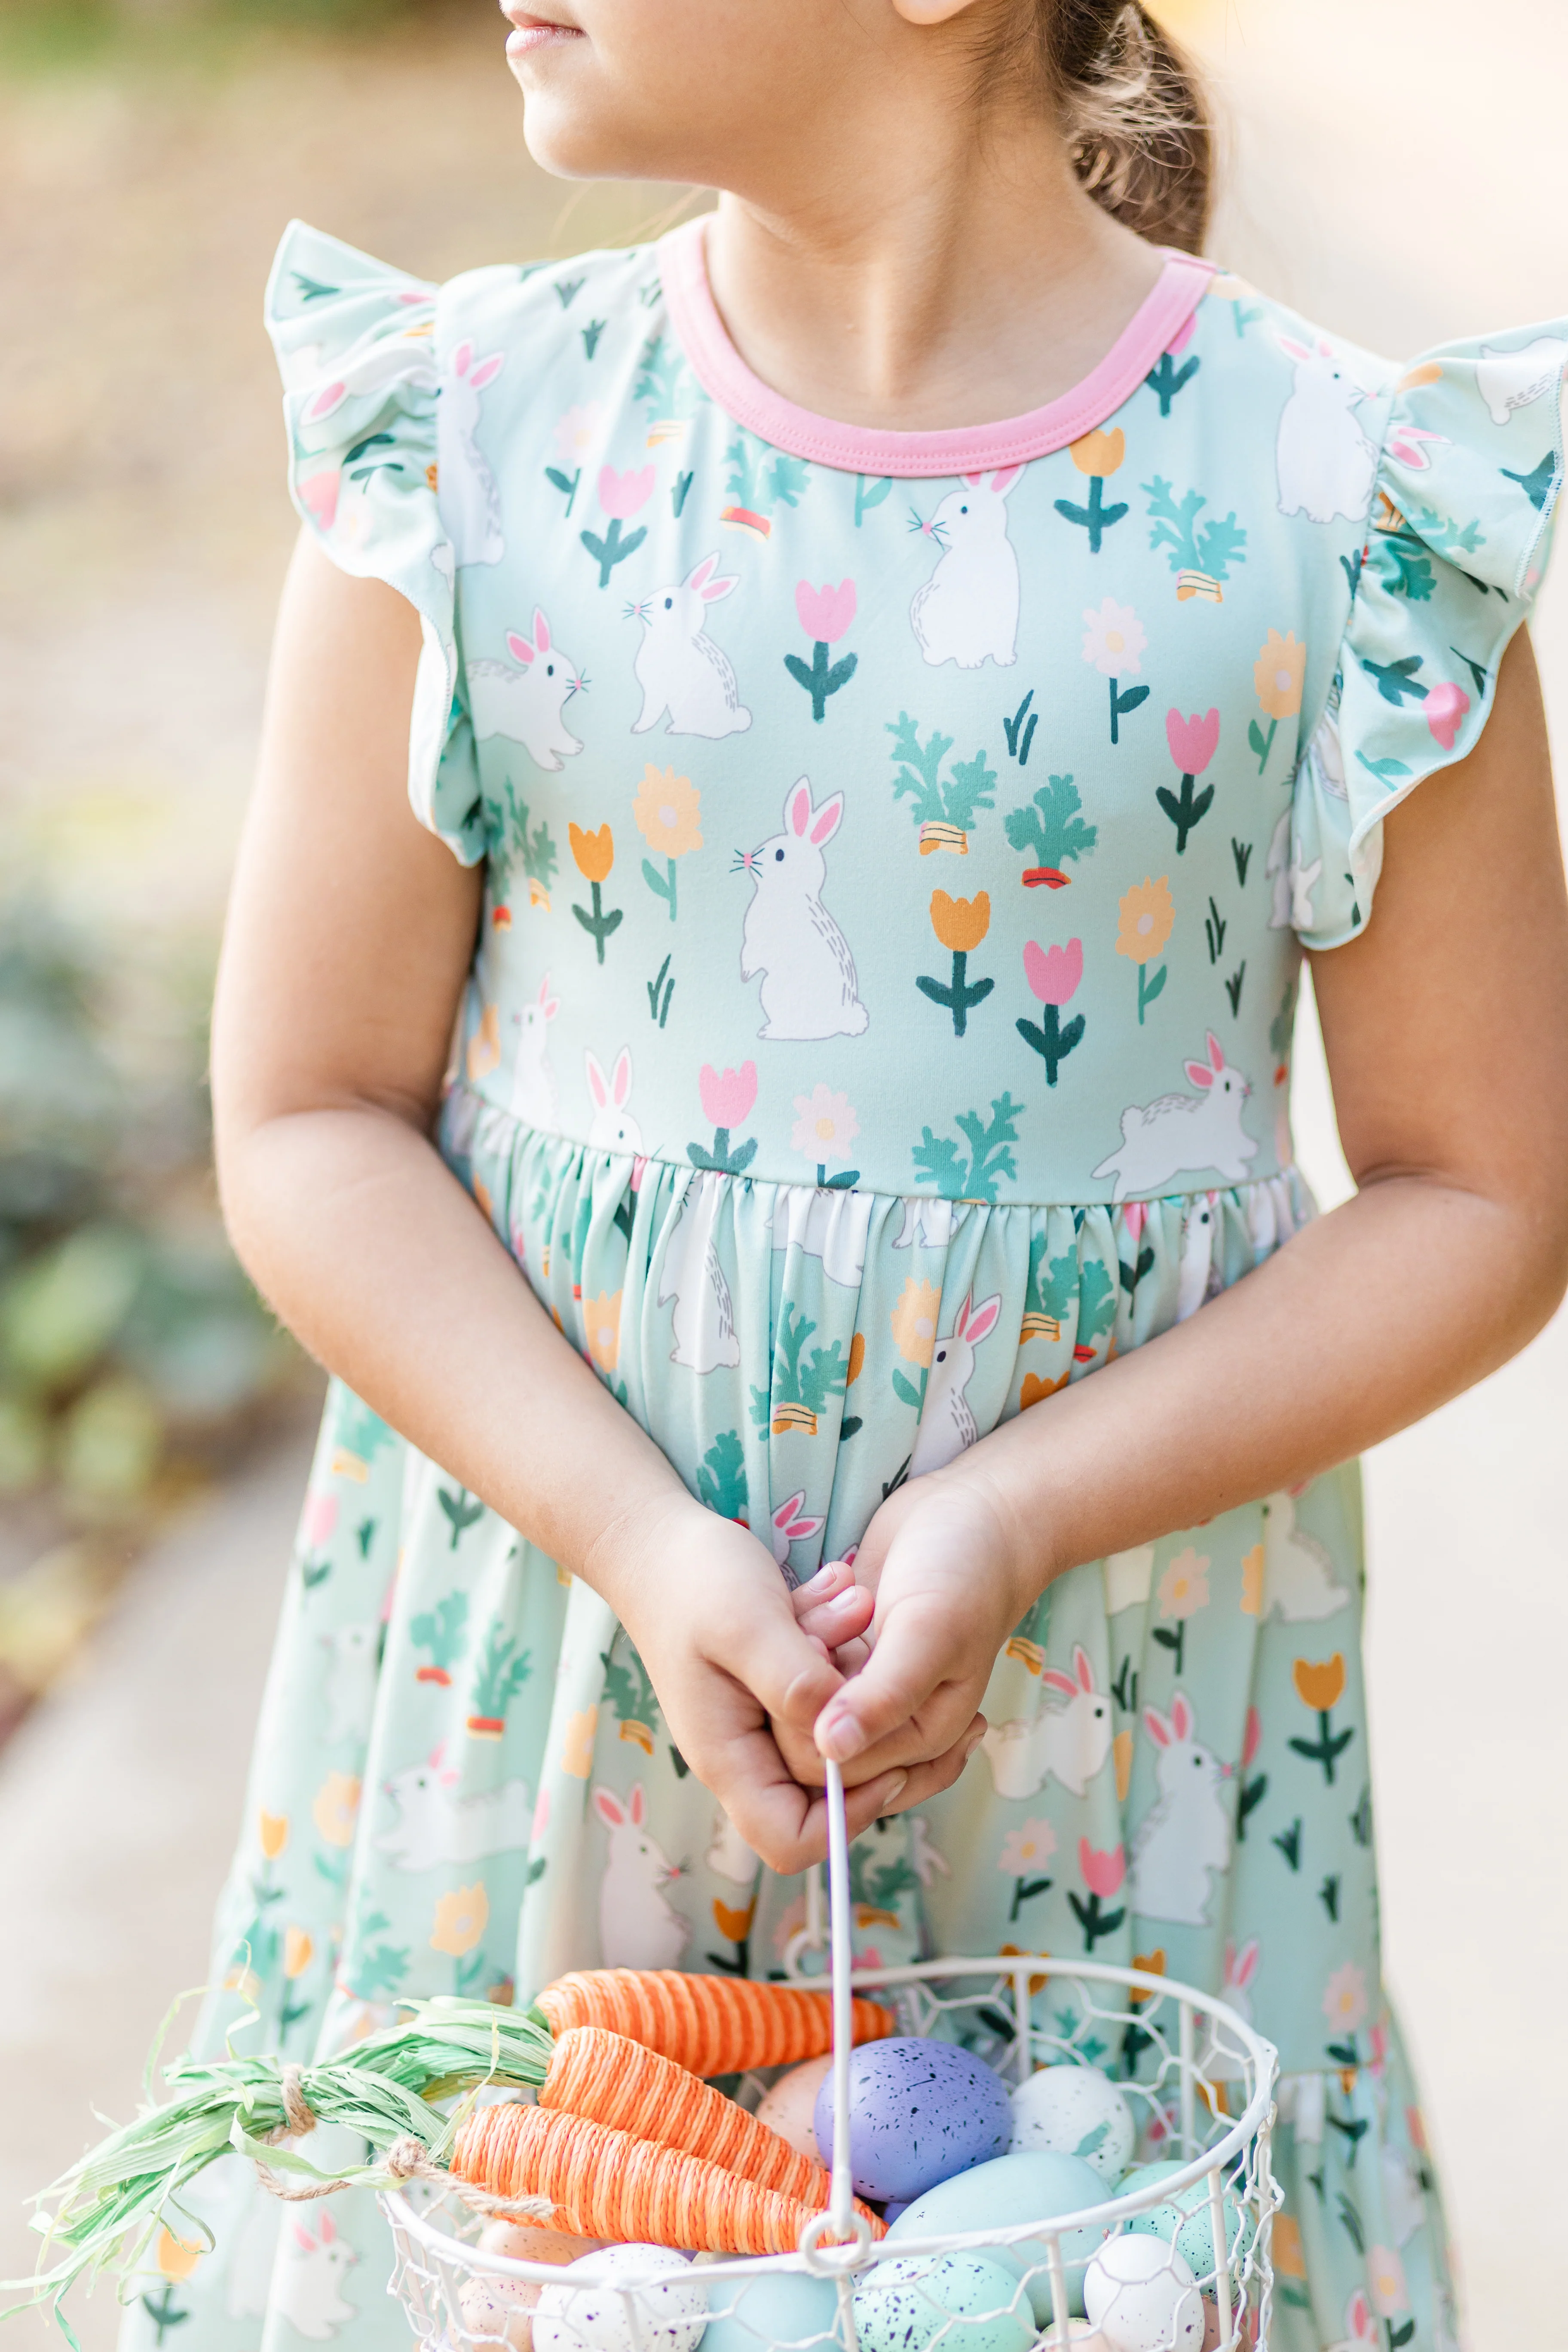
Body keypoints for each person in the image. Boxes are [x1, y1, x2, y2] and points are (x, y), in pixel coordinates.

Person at [124, 4, 1568, 2349]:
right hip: (550, 1719)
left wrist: (1021, 1510)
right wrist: (636, 1532)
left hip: (1106, 1758)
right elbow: (309, 1113)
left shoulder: (1340, 505)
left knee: (1071, 2269)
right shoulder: (475, 450)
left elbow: (1481, 1187)